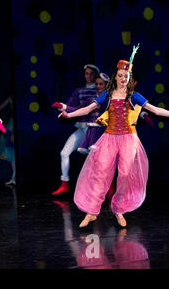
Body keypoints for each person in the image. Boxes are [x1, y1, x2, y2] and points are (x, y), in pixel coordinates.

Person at [58, 45, 169, 228]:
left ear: (129, 78)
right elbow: (87, 109)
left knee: (125, 175)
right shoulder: (107, 96)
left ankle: (119, 209)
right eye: (120, 75)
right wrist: (69, 115)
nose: (123, 78)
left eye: (126, 76)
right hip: (109, 138)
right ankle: (91, 212)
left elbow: (155, 110)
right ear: (115, 78)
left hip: (128, 139)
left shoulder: (135, 96)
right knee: (100, 173)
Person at [51, 64, 99, 195]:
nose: (88, 76)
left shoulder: (100, 91)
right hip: (81, 128)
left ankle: (107, 186)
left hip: (95, 130)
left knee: (97, 160)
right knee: (64, 153)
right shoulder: (79, 91)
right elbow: (72, 105)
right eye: (86, 73)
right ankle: (64, 184)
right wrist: (63, 107)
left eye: (91, 73)